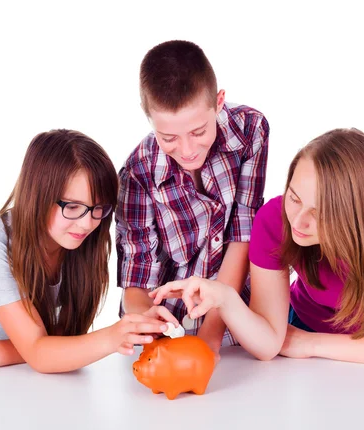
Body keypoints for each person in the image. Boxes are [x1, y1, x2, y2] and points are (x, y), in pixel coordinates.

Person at [151, 128, 364, 365]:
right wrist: (226, 298)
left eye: (320, 214)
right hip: (309, 327)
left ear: (358, 215)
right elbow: (268, 345)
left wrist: (310, 344)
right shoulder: (274, 219)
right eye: (294, 198)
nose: (299, 222)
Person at [0, 129, 168, 374]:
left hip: (19, 370)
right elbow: (40, 352)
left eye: (98, 208)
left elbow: (60, 340)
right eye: (72, 206)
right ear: (38, 196)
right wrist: (113, 336)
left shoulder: (78, 241)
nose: (87, 223)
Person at [115, 40, 269, 359]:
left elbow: (244, 234)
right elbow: (136, 277)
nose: (187, 150)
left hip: (239, 316)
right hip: (172, 332)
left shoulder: (251, 130)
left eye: (198, 131)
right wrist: (152, 327)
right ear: (150, 121)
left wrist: (209, 341)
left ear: (219, 101)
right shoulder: (137, 173)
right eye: (168, 137)